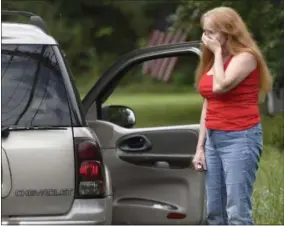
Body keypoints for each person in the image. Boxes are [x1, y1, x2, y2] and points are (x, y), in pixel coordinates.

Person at [192, 6, 273, 225]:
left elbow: (221, 86)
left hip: (240, 137)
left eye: (211, 32)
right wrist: (200, 147)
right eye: (204, 32)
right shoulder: (212, 62)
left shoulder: (246, 57)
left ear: (228, 32)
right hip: (214, 139)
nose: (205, 38)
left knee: (237, 211)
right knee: (215, 212)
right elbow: (208, 102)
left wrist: (217, 52)